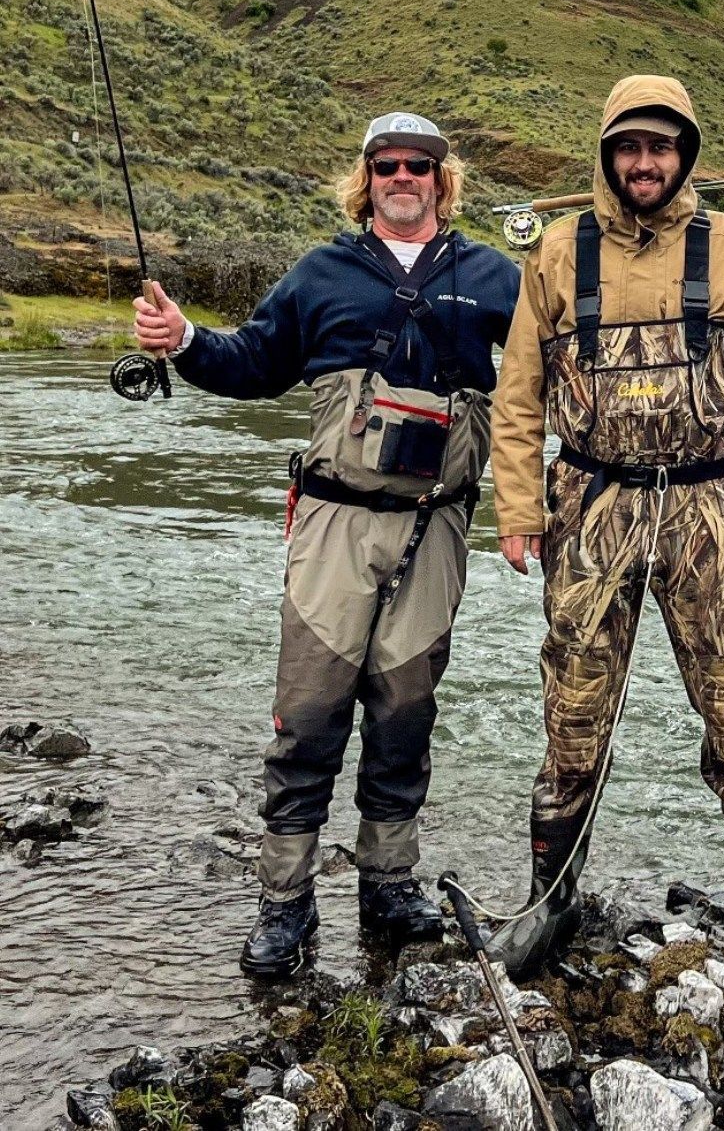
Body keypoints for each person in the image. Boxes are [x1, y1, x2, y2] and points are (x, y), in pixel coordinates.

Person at [133, 112, 520, 977]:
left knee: (405, 714)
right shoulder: (322, 272)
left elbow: (549, 377)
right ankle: (285, 900)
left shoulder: (498, 278)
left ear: (442, 180)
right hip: (333, 523)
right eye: (387, 165)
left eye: (420, 164)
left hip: (439, 524)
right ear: (367, 178)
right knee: (308, 716)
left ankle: (389, 885)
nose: (403, 176)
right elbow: (253, 363)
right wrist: (185, 341)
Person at [487, 75, 724, 977]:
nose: (644, 163)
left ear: (685, 155)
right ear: (606, 155)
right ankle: (551, 900)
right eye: (629, 147)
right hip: (588, 506)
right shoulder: (554, 253)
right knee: (573, 706)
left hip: (708, 505)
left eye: (661, 147)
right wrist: (519, 509)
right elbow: (518, 397)